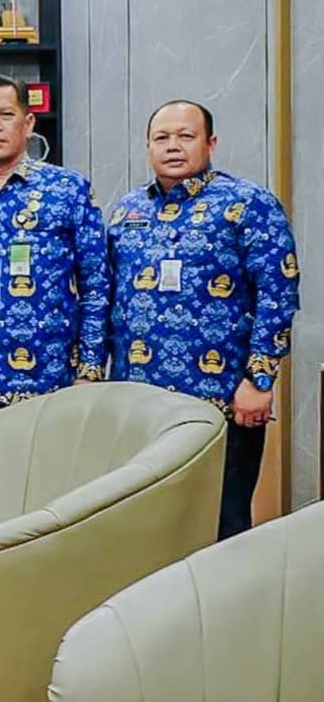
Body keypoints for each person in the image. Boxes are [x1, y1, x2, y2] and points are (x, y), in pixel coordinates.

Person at [108, 99, 298, 541]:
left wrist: (259, 381)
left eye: (186, 136)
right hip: (141, 401)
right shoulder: (127, 210)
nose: (172, 146)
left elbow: (278, 294)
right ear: (147, 146)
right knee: (145, 525)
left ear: (210, 143)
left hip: (223, 400)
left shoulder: (248, 204)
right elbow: (108, 296)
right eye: (162, 137)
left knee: (221, 524)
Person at [0, 75, 110, 421]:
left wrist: (89, 370)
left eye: (6, 115)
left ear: (28, 124)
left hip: (51, 382)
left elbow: (96, 285)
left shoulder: (68, 189)